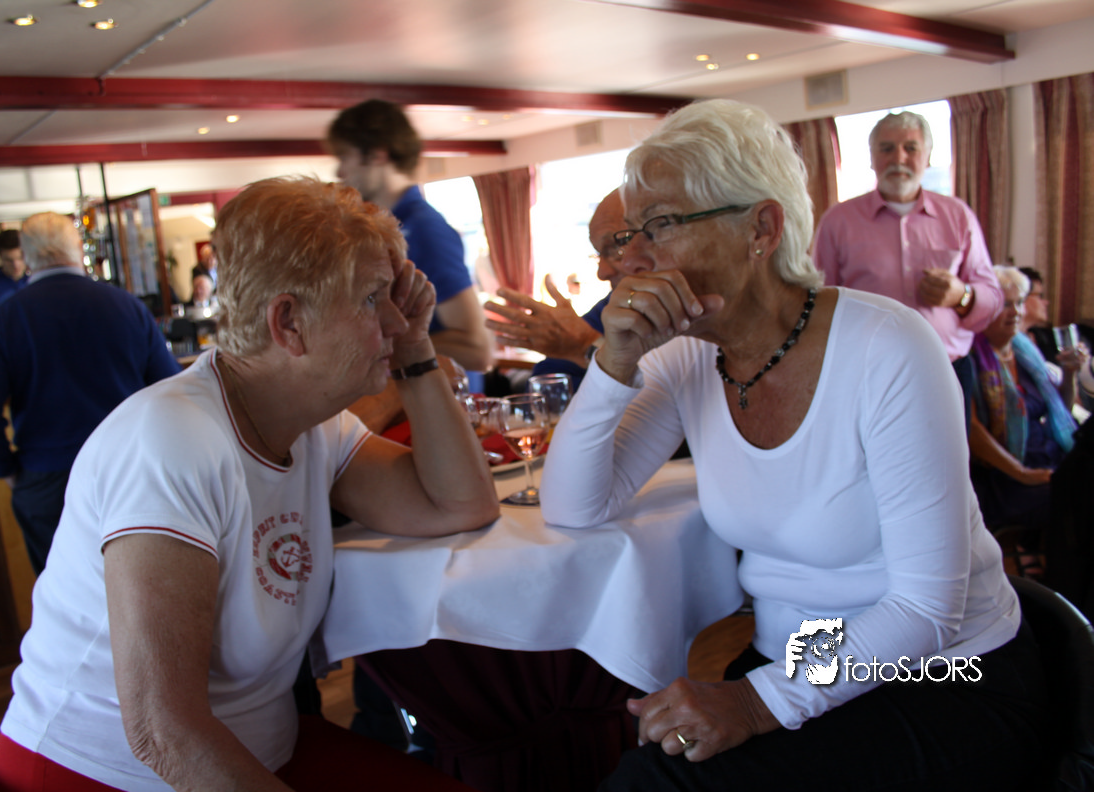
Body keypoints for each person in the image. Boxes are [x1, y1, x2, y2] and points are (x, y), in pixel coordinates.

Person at [541, 99, 1046, 791]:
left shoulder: (888, 347)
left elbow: (926, 610)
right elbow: (574, 506)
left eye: (659, 226)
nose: (629, 260)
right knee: (652, 771)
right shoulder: (687, 356)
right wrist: (614, 361)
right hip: (801, 658)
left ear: (761, 228)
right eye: (629, 235)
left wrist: (755, 703)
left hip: (948, 672)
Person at [0, 176, 500, 792]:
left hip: (259, 754)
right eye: (372, 299)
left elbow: (460, 503)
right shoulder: (172, 439)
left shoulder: (316, 425)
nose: (396, 319)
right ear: (289, 322)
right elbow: (161, 731)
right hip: (106, 775)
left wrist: (416, 347)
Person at [0, 212, 181, 574]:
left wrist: (9, 471)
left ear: (27, 256)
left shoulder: (8, 318)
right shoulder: (125, 306)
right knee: (141, 584)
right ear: (79, 249)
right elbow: (171, 389)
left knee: (64, 595)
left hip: (48, 478)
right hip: (128, 471)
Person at [813, 111, 1002, 365]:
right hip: (868, 368)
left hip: (949, 366)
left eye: (910, 148)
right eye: (887, 148)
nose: (899, 158)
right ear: (872, 158)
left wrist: (962, 296)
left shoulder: (958, 216)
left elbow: (993, 298)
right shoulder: (837, 221)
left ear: (928, 157)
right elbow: (819, 302)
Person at [327, 99, 493, 375]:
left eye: (345, 157)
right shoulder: (383, 228)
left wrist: (374, 342)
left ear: (377, 155)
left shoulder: (424, 230)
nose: (340, 172)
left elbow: (478, 350)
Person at [963, 265, 1084, 540]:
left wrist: (1070, 374)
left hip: (1050, 459)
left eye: (1019, 303)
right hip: (1004, 478)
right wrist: (1023, 473)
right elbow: (971, 429)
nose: (1016, 312)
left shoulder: (1026, 352)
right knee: (1079, 497)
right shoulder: (967, 356)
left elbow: (1060, 411)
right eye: (1005, 305)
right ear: (984, 309)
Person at [484, 188, 626, 391]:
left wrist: (587, 347)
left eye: (616, 249)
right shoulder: (614, 306)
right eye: (599, 254)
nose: (602, 273)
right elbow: (547, 385)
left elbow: (659, 396)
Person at [0, 228, 30, 307]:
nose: (15, 265)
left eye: (20, 258)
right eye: (9, 260)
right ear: (0, 257)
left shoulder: (34, 281)